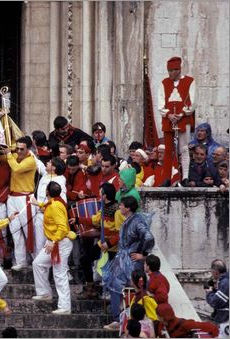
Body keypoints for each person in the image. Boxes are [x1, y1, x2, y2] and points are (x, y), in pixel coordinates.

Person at [102, 196, 155, 330]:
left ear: (128, 208)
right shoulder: (130, 220)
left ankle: (118, 319)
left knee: (116, 285)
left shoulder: (137, 222)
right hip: (124, 260)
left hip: (130, 262)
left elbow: (148, 237)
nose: (119, 207)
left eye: (121, 205)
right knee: (115, 285)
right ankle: (120, 317)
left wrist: (143, 254)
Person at [30, 181, 77, 315]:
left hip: (60, 242)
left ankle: (65, 306)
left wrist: (53, 241)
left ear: (47, 192)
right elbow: (47, 207)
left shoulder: (55, 205)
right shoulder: (55, 202)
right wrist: (36, 203)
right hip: (54, 242)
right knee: (38, 263)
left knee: (59, 274)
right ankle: (44, 292)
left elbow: (62, 227)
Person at [73, 183, 124, 299]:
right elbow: (95, 220)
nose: (99, 194)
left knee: (109, 272)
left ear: (105, 196)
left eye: (101, 192)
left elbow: (121, 232)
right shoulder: (104, 207)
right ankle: (90, 289)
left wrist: (110, 243)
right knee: (85, 260)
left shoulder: (117, 211)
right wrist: (78, 220)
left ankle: (112, 296)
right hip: (103, 244)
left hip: (113, 247)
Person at [157, 56, 196, 187]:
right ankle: (166, 178)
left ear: (178, 70)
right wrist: (168, 114)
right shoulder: (164, 83)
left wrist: (182, 114)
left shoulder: (190, 81)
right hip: (169, 119)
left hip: (184, 119)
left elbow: (192, 102)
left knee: (184, 148)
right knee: (168, 149)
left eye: (171, 71)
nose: (169, 74)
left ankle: (185, 177)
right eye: (168, 71)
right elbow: (160, 102)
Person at [3, 136, 38, 270]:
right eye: (16, 148)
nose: (18, 151)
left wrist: (8, 154)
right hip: (12, 197)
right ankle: (20, 261)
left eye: (21, 149)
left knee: (29, 231)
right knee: (15, 231)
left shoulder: (30, 160)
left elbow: (16, 168)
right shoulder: (14, 155)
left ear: (28, 149)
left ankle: (36, 260)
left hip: (25, 198)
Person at [33, 157, 67, 256]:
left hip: (52, 219)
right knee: (39, 244)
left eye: (49, 162)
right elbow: (38, 164)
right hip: (40, 215)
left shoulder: (60, 181)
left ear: (54, 168)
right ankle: (40, 265)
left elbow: (62, 202)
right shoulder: (46, 175)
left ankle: (52, 268)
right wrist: (31, 151)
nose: (47, 163)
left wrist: (47, 209)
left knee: (50, 244)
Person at [205, 259, 229, 337]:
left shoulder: (225, 282)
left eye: (212, 272)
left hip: (226, 320)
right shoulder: (225, 280)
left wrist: (209, 292)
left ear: (216, 272)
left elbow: (215, 302)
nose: (212, 274)